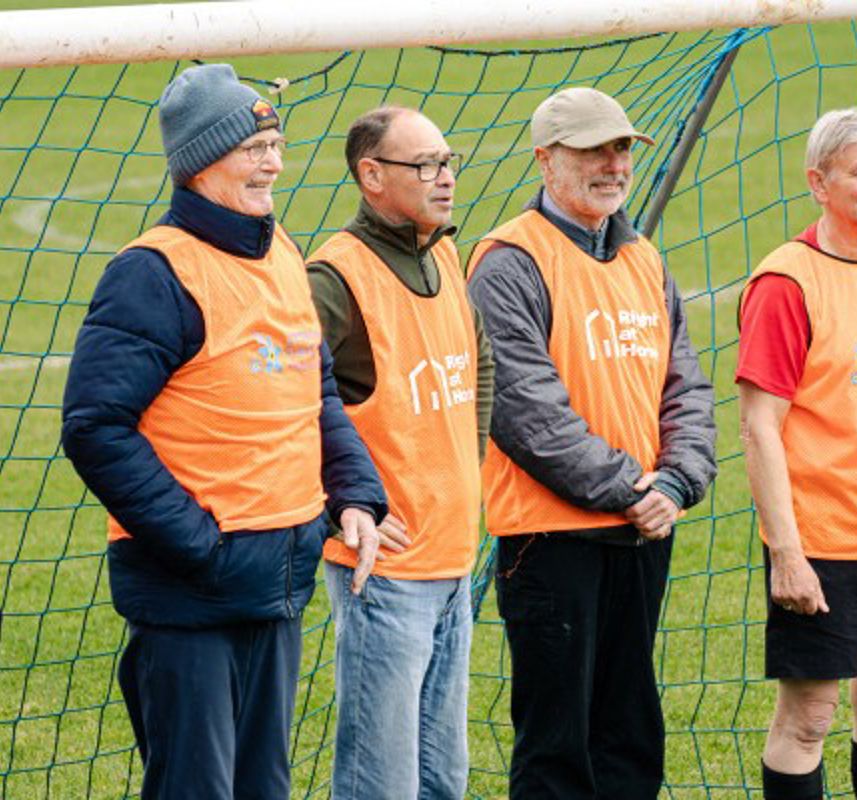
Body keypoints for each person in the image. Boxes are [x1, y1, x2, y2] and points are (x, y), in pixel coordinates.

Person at [60, 63, 387, 800]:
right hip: (192, 598)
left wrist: (355, 493)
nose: (273, 164)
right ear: (202, 161)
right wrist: (200, 545)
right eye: (253, 148)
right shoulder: (152, 273)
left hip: (276, 585)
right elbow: (94, 426)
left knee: (262, 787)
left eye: (276, 145)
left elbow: (316, 390)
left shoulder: (283, 252)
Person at [466, 87, 717, 799]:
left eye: (622, 147)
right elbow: (526, 410)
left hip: (644, 530)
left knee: (629, 735)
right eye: (592, 150)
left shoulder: (643, 257)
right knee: (558, 748)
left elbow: (687, 388)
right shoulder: (508, 262)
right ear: (545, 160)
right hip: (552, 541)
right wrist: (631, 490)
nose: (614, 164)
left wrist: (676, 483)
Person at [305, 105, 494, 799]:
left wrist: (462, 471)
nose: (445, 178)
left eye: (448, 161)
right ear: (372, 175)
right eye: (425, 165)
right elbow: (282, 398)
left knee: (444, 779)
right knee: (380, 783)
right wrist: (337, 505)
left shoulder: (442, 251)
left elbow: (481, 362)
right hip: (383, 570)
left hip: (452, 556)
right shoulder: (333, 278)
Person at [737, 106, 857, 800]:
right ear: (818, 182)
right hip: (827, 540)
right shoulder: (786, 283)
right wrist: (788, 553)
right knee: (808, 717)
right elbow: (758, 428)